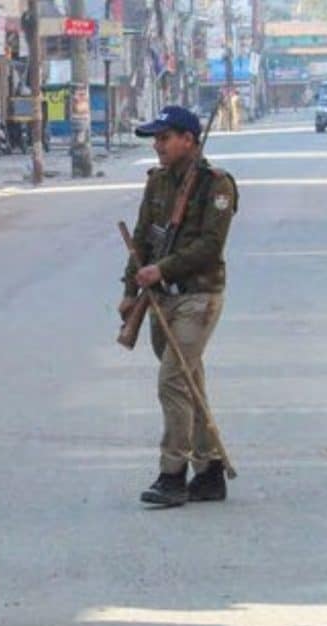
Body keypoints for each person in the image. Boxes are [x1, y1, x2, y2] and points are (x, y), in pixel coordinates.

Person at [120, 105, 238, 508]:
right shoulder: (157, 183)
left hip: (198, 296)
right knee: (189, 383)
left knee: (172, 380)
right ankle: (209, 471)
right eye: (155, 139)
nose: (158, 146)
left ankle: (172, 474)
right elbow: (141, 239)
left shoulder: (216, 185)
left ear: (189, 139)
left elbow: (209, 246)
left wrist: (163, 268)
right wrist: (129, 288)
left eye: (164, 138)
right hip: (160, 298)